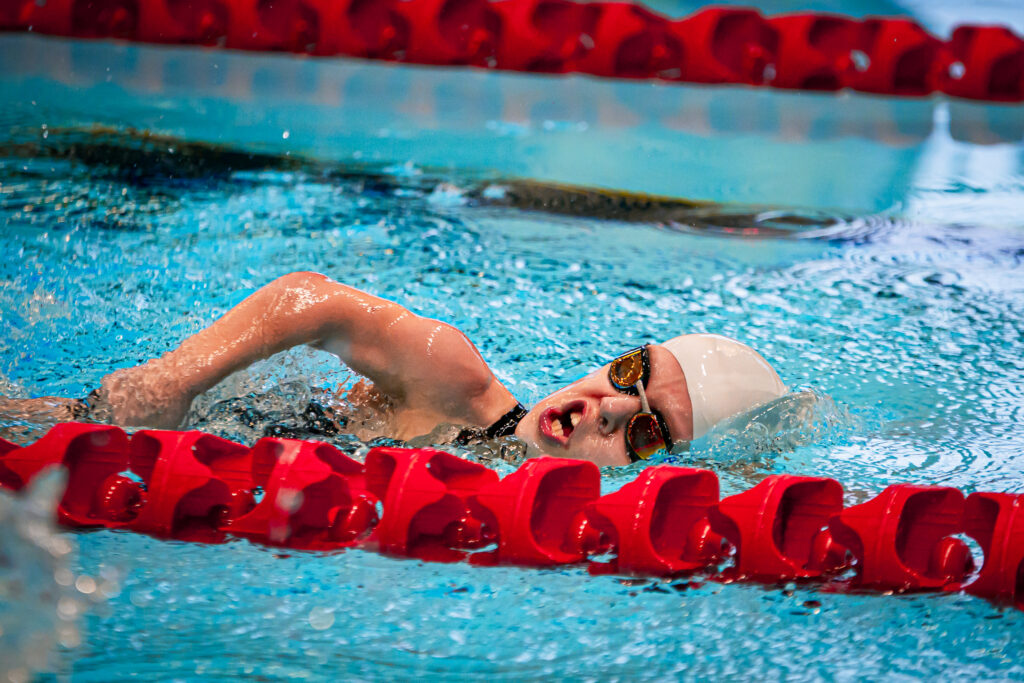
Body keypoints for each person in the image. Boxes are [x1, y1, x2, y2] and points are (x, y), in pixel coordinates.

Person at [7, 271, 789, 467]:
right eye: (628, 372)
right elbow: (310, 300)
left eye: (648, 431)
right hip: (179, 427)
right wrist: (176, 377)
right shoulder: (454, 380)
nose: (608, 408)